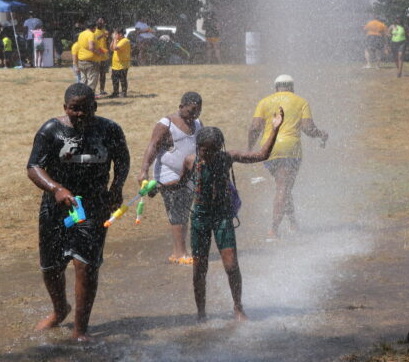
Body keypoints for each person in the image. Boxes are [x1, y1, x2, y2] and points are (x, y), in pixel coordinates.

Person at [27, 83, 130, 341]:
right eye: (74, 109)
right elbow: (33, 167)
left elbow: (123, 159)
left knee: (86, 265)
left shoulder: (110, 130)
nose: (80, 114)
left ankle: (80, 330)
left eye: (85, 109)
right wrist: (56, 188)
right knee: (51, 266)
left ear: (94, 107)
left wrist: (116, 188)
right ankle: (60, 309)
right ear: (65, 108)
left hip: (94, 206)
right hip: (57, 206)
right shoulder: (51, 130)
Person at [180, 116, 282, 322]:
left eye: (212, 150)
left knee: (232, 265)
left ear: (220, 148)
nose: (207, 155)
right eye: (204, 150)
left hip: (221, 216)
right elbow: (181, 183)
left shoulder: (227, 158)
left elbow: (262, 154)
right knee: (200, 269)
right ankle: (201, 313)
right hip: (199, 216)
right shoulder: (190, 161)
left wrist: (275, 129)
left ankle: (238, 307)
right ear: (198, 147)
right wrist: (159, 186)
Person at [247, 75, 328, 240]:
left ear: (276, 87)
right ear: (292, 87)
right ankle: (273, 230)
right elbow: (308, 128)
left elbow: (255, 127)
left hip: (268, 149)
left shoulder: (264, 102)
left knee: (283, 186)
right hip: (290, 149)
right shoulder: (300, 102)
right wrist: (321, 134)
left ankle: (293, 223)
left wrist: (249, 149)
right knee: (283, 188)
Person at [138, 92, 203, 265]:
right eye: (190, 111)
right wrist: (144, 170)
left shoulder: (198, 123)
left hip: (189, 172)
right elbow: (152, 146)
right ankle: (181, 253)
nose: (193, 115)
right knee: (176, 211)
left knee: (184, 211)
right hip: (169, 173)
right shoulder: (166, 124)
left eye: (197, 111)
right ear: (181, 107)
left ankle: (177, 252)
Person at [76, 20, 104, 91]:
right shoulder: (91, 34)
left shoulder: (81, 34)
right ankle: (89, 98)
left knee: (83, 81)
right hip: (91, 62)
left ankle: (82, 96)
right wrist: (99, 53)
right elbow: (91, 47)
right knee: (91, 82)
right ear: (93, 28)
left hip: (81, 61)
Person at [110, 27, 131, 98]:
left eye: (116, 33)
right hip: (115, 65)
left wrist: (115, 39)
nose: (114, 35)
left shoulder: (125, 41)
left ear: (120, 34)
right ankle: (115, 93)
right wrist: (114, 40)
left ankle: (124, 93)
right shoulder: (118, 40)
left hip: (122, 65)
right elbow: (111, 48)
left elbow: (115, 48)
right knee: (114, 80)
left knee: (122, 80)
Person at [94, 17, 110, 97]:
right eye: (100, 22)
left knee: (103, 75)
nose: (102, 23)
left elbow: (106, 41)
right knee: (95, 75)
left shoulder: (104, 31)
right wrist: (102, 35)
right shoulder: (95, 32)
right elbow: (95, 39)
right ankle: (93, 90)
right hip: (97, 56)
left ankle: (102, 90)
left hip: (104, 56)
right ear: (97, 23)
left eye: (103, 22)